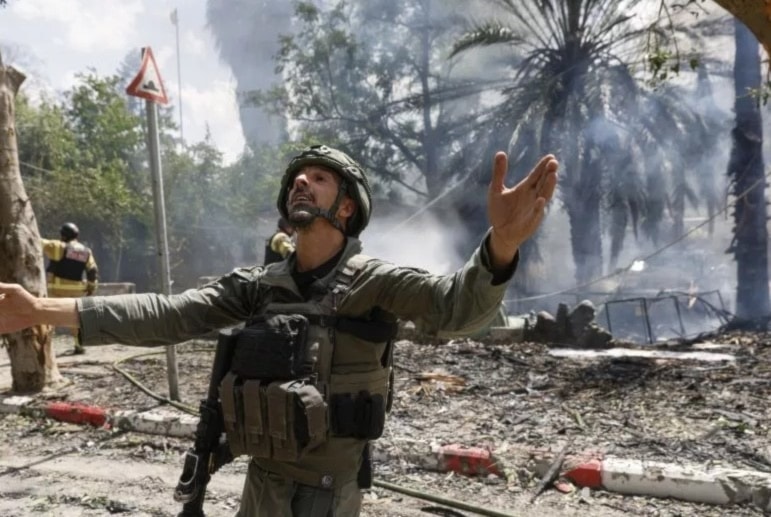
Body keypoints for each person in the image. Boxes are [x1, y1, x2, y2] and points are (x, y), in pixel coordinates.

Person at [0, 144, 558, 516]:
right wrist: (39, 310)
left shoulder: (375, 282)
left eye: (318, 178)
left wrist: (502, 245)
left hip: (326, 495)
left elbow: (457, 308)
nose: (301, 182)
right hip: (261, 487)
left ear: (346, 207)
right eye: (296, 177)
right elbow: (168, 314)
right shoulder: (259, 286)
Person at [41, 222, 99, 354]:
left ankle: (45, 348)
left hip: (57, 290)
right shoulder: (86, 251)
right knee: (75, 318)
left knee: (48, 317)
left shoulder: (59, 247)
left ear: (63, 235)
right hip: (76, 291)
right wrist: (91, 287)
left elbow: (40, 242)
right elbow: (92, 270)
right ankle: (79, 345)